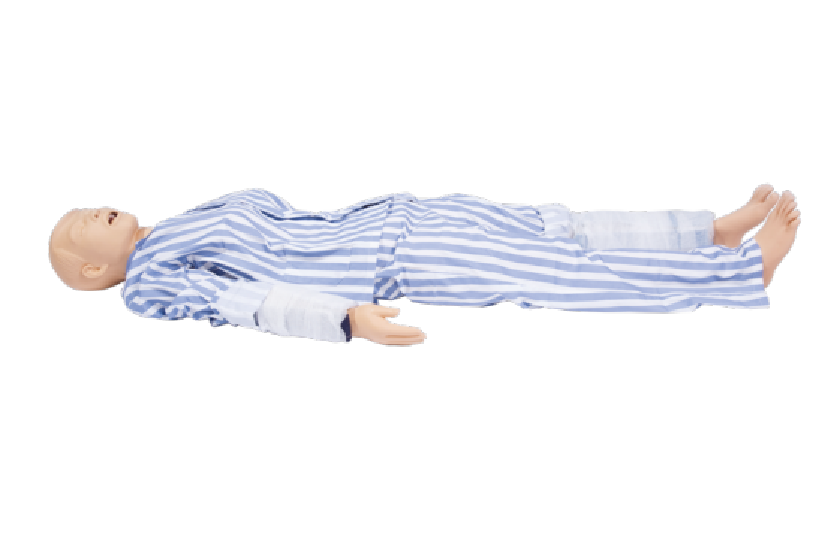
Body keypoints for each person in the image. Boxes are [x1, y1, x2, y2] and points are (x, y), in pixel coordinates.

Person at [48, 185, 800, 346]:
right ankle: (737, 274)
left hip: (402, 217)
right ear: (89, 273)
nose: (91, 210)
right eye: (81, 226)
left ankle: (706, 234)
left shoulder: (182, 220)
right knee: (554, 270)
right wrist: (344, 318)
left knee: (553, 224)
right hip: (398, 256)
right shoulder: (152, 279)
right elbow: (248, 304)